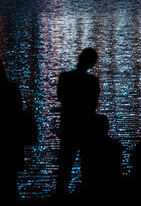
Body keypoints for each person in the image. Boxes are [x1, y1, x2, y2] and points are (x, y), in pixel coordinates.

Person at [56, 47, 100, 195]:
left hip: (69, 127)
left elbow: (60, 98)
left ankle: (61, 195)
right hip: (87, 128)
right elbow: (93, 104)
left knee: (64, 168)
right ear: (92, 63)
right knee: (87, 167)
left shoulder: (64, 77)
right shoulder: (93, 81)